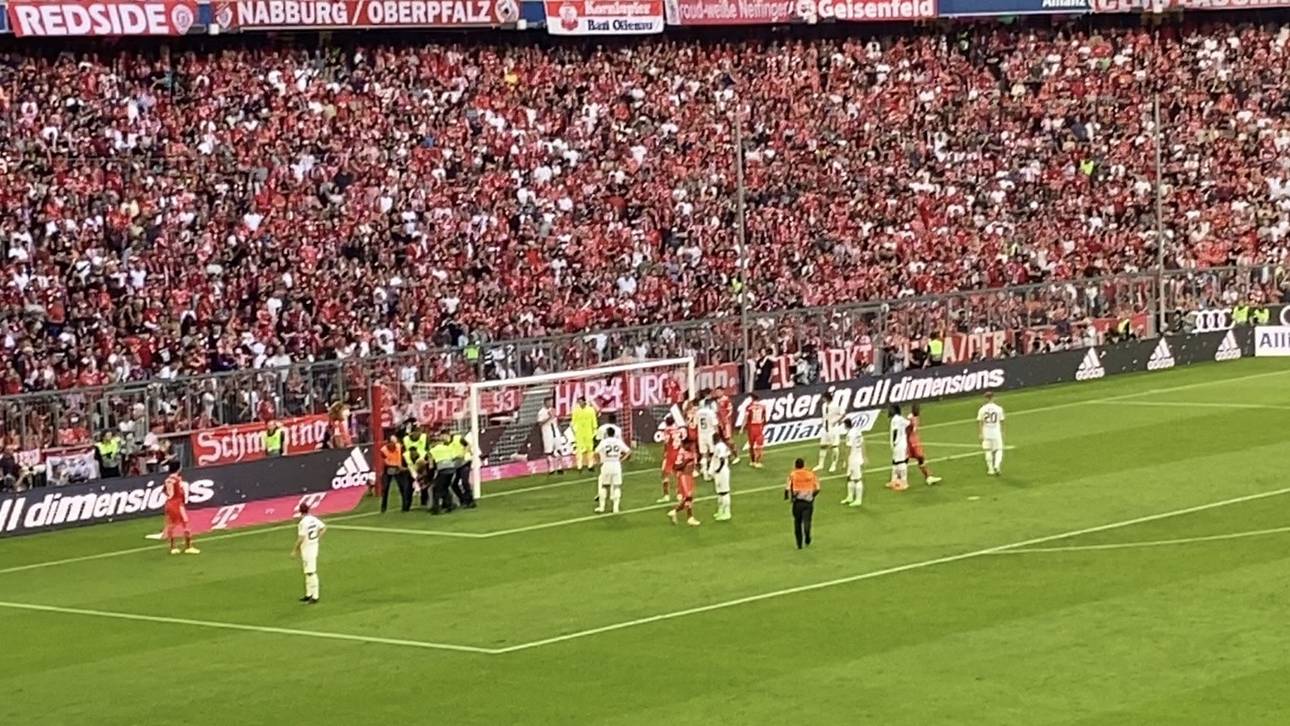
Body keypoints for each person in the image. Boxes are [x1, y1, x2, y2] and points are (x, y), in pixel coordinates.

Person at [292, 502, 326, 604]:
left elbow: (301, 538)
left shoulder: (303, 523)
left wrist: (295, 550)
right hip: (313, 546)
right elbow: (324, 527)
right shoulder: (313, 519)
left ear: (300, 511)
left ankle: (315, 596)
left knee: (311, 572)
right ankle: (308, 594)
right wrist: (318, 538)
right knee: (307, 571)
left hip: (308, 549)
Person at [163, 461, 199, 555]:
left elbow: (164, 491)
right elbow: (180, 492)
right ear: (178, 468)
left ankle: (173, 548)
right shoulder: (177, 480)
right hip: (177, 504)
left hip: (169, 503)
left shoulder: (167, 479)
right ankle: (188, 547)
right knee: (185, 523)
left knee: (171, 524)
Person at [594, 424, 631, 514]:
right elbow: (629, 451)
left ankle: (602, 507)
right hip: (616, 464)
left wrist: (599, 461)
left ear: (606, 433)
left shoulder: (604, 442)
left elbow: (596, 452)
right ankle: (616, 508)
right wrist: (621, 459)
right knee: (616, 486)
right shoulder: (618, 442)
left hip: (606, 464)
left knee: (604, 486)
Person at [785, 458, 820, 549]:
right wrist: (812, 496)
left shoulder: (793, 474)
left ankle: (799, 544)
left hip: (797, 502)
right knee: (807, 520)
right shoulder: (811, 474)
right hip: (808, 502)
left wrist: (787, 497)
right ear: (804, 465)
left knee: (797, 522)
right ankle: (807, 535)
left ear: (795, 465)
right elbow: (818, 488)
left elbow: (788, 487)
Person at [908, 404, 943, 485]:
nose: (918, 410)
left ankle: (928, 477)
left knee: (920, 459)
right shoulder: (910, 418)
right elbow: (908, 431)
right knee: (915, 459)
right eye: (917, 409)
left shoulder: (916, 417)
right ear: (913, 409)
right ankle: (898, 478)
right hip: (912, 443)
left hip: (915, 442)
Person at [667, 447, 701, 527]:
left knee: (690, 498)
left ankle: (687, 516)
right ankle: (687, 516)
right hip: (684, 476)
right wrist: (686, 462)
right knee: (688, 496)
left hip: (690, 475)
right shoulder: (681, 453)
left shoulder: (692, 450)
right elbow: (676, 466)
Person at [428, 432, 459, 514]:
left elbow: (430, 465)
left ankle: (436, 508)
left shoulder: (432, 450)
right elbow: (455, 457)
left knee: (436, 489)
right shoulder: (448, 448)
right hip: (451, 469)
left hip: (443, 470)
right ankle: (449, 505)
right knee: (445, 488)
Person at [379, 434, 411, 513]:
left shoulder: (400, 447)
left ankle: (405, 507)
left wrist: (403, 467)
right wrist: (397, 466)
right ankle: (383, 508)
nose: (392, 445)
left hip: (399, 469)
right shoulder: (383, 450)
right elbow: (386, 462)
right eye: (390, 443)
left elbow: (404, 456)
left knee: (402, 487)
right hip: (389, 469)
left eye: (393, 443)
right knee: (385, 488)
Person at [815, 388, 844, 472]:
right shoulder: (824, 406)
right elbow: (825, 416)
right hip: (825, 428)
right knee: (823, 446)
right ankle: (820, 464)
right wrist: (822, 422)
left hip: (833, 428)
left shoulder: (836, 405)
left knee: (834, 447)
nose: (822, 399)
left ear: (826, 398)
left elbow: (842, 414)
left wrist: (836, 421)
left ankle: (833, 465)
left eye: (823, 398)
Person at [977, 392, 1006, 475]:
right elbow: (1002, 420)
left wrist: (980, 433)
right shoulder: (998, 408)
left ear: (985, 398)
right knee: (999, 449)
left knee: (987, 450)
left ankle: (990, 469)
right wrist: (1003, 431)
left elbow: (980, 421)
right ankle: (997, 465)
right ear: (993, 398)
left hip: (986, 431)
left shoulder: (982, 409)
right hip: (996, 432)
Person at [402, 423, 430, 507]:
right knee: (408, 486)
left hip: (421, 462)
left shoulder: (423, 437)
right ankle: (407, 504)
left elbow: (428, 449)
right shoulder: (407, 439)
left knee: (424, 483)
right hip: (412, 463)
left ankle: (423, 501)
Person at [658, 414, 684, 503]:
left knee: (664, 475)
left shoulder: (667, 431)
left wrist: (664, 453)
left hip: (670, 455)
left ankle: (666, 496)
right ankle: (679, 494)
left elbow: (666, 443)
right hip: (678, 454)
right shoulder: (677, 430)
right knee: (678, 474)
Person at [841, 415, 865, 507]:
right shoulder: (857, 431)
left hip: (853, 458)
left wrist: (845, 461)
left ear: (846, 425)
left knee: (857, 479)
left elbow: (848, 448)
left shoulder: (850, 434)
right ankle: (850, 496)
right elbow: (862, 443)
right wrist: (864, 455)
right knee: (849, 478)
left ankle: (858, 499)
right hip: (858, 456)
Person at [536, 397, 564, 475]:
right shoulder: (541, 412)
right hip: (547, 433)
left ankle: (560, 467)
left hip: (555, 431)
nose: (550, 403)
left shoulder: (553, 410)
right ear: (545, 403)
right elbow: (540, 424)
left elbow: (557, 420)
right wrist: (549, 417)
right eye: (549, 402)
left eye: (551, 402)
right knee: (549, 451)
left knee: (558, 449)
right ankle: (551, 468)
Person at [449, 432, 477, 508]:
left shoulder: (457, 438)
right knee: (454, 484)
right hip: (457, 464)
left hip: (465, 462)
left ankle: (470, 501)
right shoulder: (447, 444)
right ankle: (463, 499)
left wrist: (464, 453)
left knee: (464, 481)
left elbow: (468, 445)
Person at [571, 397, 598, 472]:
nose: (580, 403)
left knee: (590, 449)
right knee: (579, 449)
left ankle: (590, 465)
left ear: (584, 402)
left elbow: (594, 420)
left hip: (589, 431)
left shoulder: (590, 410)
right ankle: (579, 466)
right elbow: (573, 421)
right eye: (578, 402)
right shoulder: (576, 410)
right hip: (579, 433)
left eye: (581, 401)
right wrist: (574, 430)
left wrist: (595, 429)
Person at [887, 405, 910, 492]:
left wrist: (894, 441)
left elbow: (896, 430)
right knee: (895, 462)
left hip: (898, 444)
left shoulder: (896, 419)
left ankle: (904, 482)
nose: (889, 411)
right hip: (901, 442)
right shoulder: (900, 418)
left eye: (890, 409)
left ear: (894, 410)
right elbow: (908, 423)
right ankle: (894, 480)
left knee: (900, 462)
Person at [710, 433, 732, 521]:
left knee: (724, 492)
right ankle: (721, 510)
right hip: (719, 471)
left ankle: (727, 512)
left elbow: (722, 459)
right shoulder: (720, 446)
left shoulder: (720, 446)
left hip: (722, 472)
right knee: (719, 492)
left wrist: (718, 469)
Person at [696, 393, 718, 482]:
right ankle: (711, 471)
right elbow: (715, 424)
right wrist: (717, 435)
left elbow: (696, 423)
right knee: (714, 453)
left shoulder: (698, 412)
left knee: (704, 454)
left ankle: (704, 472)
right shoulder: (710, 412)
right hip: (710, 433)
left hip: (701, 434)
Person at [743, 393, 766, 468]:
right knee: (759, 446)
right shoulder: (762, 406)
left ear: (752, 398)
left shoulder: (749, 407)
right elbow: (764, 418)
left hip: (751, 428)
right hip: (759, 427)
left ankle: (752, 461)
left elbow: (746, 418)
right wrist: (763, 425)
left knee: (751, 445)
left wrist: (742, 427)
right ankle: (757, 462)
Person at [715, 389, 737, 464]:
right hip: (720, 423)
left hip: (726, 423)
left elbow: (730, 410)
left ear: (722, 392)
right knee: (722, 440)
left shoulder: (726, 399)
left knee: (728, 439)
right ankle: (729, 455)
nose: (717, 393)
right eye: (716, 392)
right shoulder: (717, 401)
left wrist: (726, 420)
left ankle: (736, 456)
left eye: (719, 392)